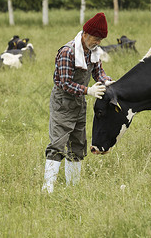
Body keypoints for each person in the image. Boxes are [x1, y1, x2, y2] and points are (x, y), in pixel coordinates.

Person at [42, 12, 115, 193]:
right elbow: (65, 83)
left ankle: (73, 187)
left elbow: (99, 73)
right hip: (63, 103)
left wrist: (108, 81)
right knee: (58, 143)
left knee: (78, 144)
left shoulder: (93, 52)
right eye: (96, 38)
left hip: (79, 103)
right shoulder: (68, 52)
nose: (98, 42)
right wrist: (88, 90)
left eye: (101, 39)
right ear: (85, 34)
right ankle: (47, 188)